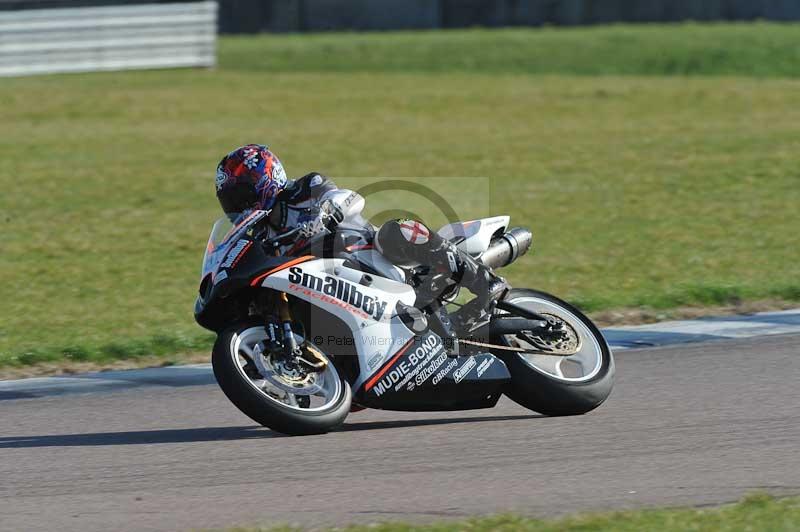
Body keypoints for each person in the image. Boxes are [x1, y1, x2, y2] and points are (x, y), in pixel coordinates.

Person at [215, 144, 507, 316]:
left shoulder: (305, 187)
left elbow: (349, 197)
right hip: (331, 284)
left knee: (396, 231)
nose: (237, 205)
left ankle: (484, 281)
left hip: (366, 251)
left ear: (265, 179)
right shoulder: (262, 235)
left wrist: (329, 212)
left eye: (241, 195)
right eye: (230, 199)